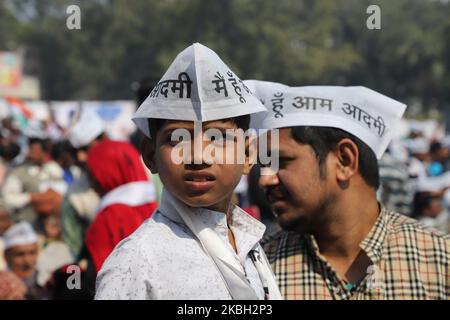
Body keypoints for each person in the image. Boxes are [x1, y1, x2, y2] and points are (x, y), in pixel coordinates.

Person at [95, 43, 281, 300]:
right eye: (177, 139)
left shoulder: (249, 241)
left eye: (218, 137)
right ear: (150, 155)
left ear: (248, 155)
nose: (198, 156)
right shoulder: (136, 263)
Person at [247, 80, 450, 299]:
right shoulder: (256, 270)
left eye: (281, 161)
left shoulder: (439, 259)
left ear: (345, 160)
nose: (264, 180)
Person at [84, 140, 158, 273]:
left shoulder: (107, 219)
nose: (91, 183)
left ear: (108, 171)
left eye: (93, 174)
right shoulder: (158, 207)